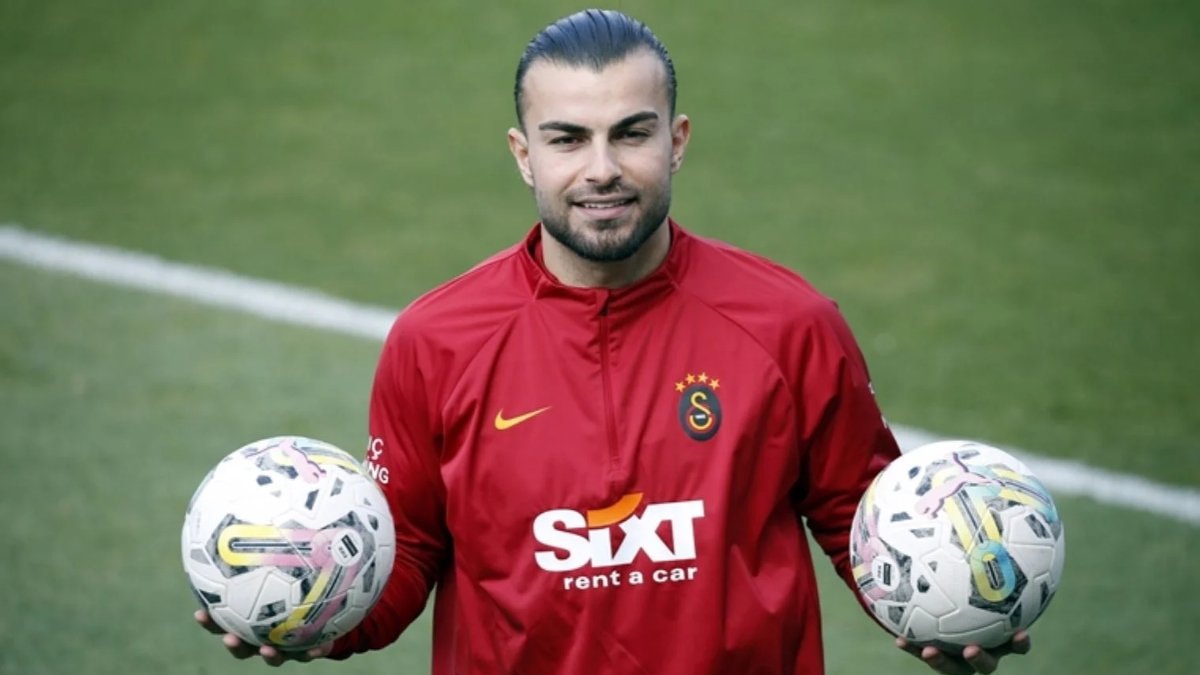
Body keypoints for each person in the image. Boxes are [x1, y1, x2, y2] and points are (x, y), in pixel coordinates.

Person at [196, 8, 1032, 674]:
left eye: (631, 133)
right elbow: (406, 548)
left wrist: (949, 616)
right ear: (524, 155)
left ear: (677, 140)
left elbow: (866, 521)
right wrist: (314, 616)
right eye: (568, 138)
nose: (601, 168)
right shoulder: (436, 342)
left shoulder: (789, 324)